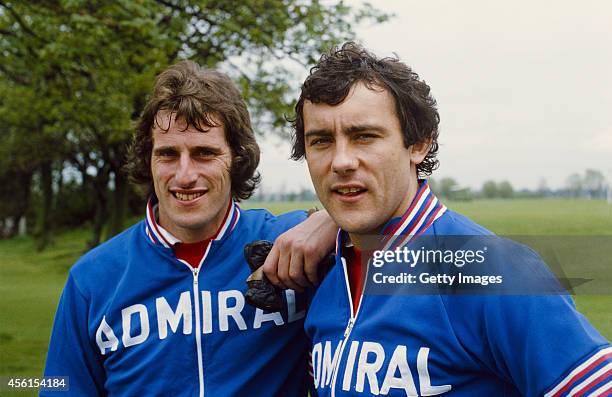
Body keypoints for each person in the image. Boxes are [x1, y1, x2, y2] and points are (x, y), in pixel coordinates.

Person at [291, 42, 611, 396]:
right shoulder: (326, 275)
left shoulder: (492, 270)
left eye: (364, 136)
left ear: (418, 145)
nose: (341, 161)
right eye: (320, 141)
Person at [41, 60, 336, 396]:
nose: (184, 175)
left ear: (236, 159)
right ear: (148, 160)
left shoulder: (292, 242)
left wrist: (335, 224)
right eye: (167, 154)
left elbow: (405, 266)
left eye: (204, 153)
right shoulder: (91, 279)